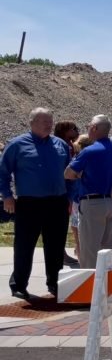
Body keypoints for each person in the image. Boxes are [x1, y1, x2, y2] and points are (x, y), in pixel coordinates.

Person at [0, 108, 71, 299]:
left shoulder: (61, 145)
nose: (49, 124)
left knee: (55, 245)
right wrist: (7, 196)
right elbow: (3, 172)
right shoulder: (17, 145)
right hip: (29, 203)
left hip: (57, 202)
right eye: (44, 121)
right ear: (32, 123)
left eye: (50, 121)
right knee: (24, 245)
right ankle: (19, 284)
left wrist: (71, 198)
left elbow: (71, 174)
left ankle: (55, 283)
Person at [65, 115, 112, 269]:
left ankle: (89, 285)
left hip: (92, 202)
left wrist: (79, 173)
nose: (87, 128)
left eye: (89, 125)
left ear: (95, 128)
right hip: (111, 202)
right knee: (109, 247)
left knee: (89, 249)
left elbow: (68, 173)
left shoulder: (89, 151)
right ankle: (110, 282)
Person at [54, 121, 81, 266]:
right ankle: (60, 253)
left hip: (70, 190)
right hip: (63, 191)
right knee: (60, 224)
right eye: (74, 129)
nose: (77, 131)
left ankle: (60, 253)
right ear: (65, 131)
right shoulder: (61, 146)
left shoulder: (69, 145)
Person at [68, 135, 95, 265]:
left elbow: (69, 174)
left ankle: (80, 255)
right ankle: (81, 253)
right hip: (85, 198)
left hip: (79, 198)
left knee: (77, 231)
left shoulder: (79, 159)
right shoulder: (94, 159)